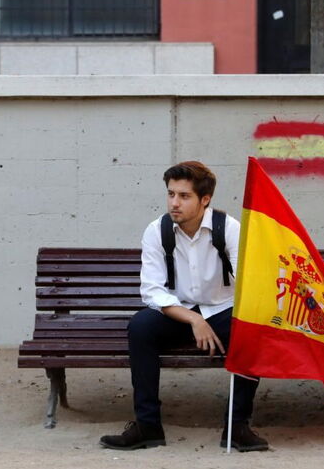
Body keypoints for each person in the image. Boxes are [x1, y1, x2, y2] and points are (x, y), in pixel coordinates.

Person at [100, 161, 268, 452]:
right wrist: (193, 319)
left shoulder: (228, 229)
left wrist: (220, 318)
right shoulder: (156, 231)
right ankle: (147, 426)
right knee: (140, 328)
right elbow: (152, 291)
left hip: (222, 309)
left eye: (184, 196)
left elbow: (249, 284)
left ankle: (237, 426)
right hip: (180, 312)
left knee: (251, 332)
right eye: (171, 194)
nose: (174, 203)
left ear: (205, 200)